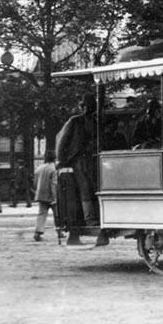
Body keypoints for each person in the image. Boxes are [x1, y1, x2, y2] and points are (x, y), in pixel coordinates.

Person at [56, 93, 99, 239]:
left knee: (92, 188)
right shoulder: (75, 121)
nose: (89, 108)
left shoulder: (93, 121)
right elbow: (62, 142)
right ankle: (89, 220)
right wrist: (61, 161)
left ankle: (92, 218)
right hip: (79, 160)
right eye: (87, 105)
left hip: (92, 159)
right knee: (85, 188)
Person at [32, 151, 58, 242]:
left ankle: (38, 232)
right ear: (54, 158)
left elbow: (35, 183)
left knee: (42, 213)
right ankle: (59, 231)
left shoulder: (39, 168)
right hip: (50, 195)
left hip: (40, 195)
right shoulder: (53, 169)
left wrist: (37, 191)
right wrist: (55, 197)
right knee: (57, 214)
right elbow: (54, 185)